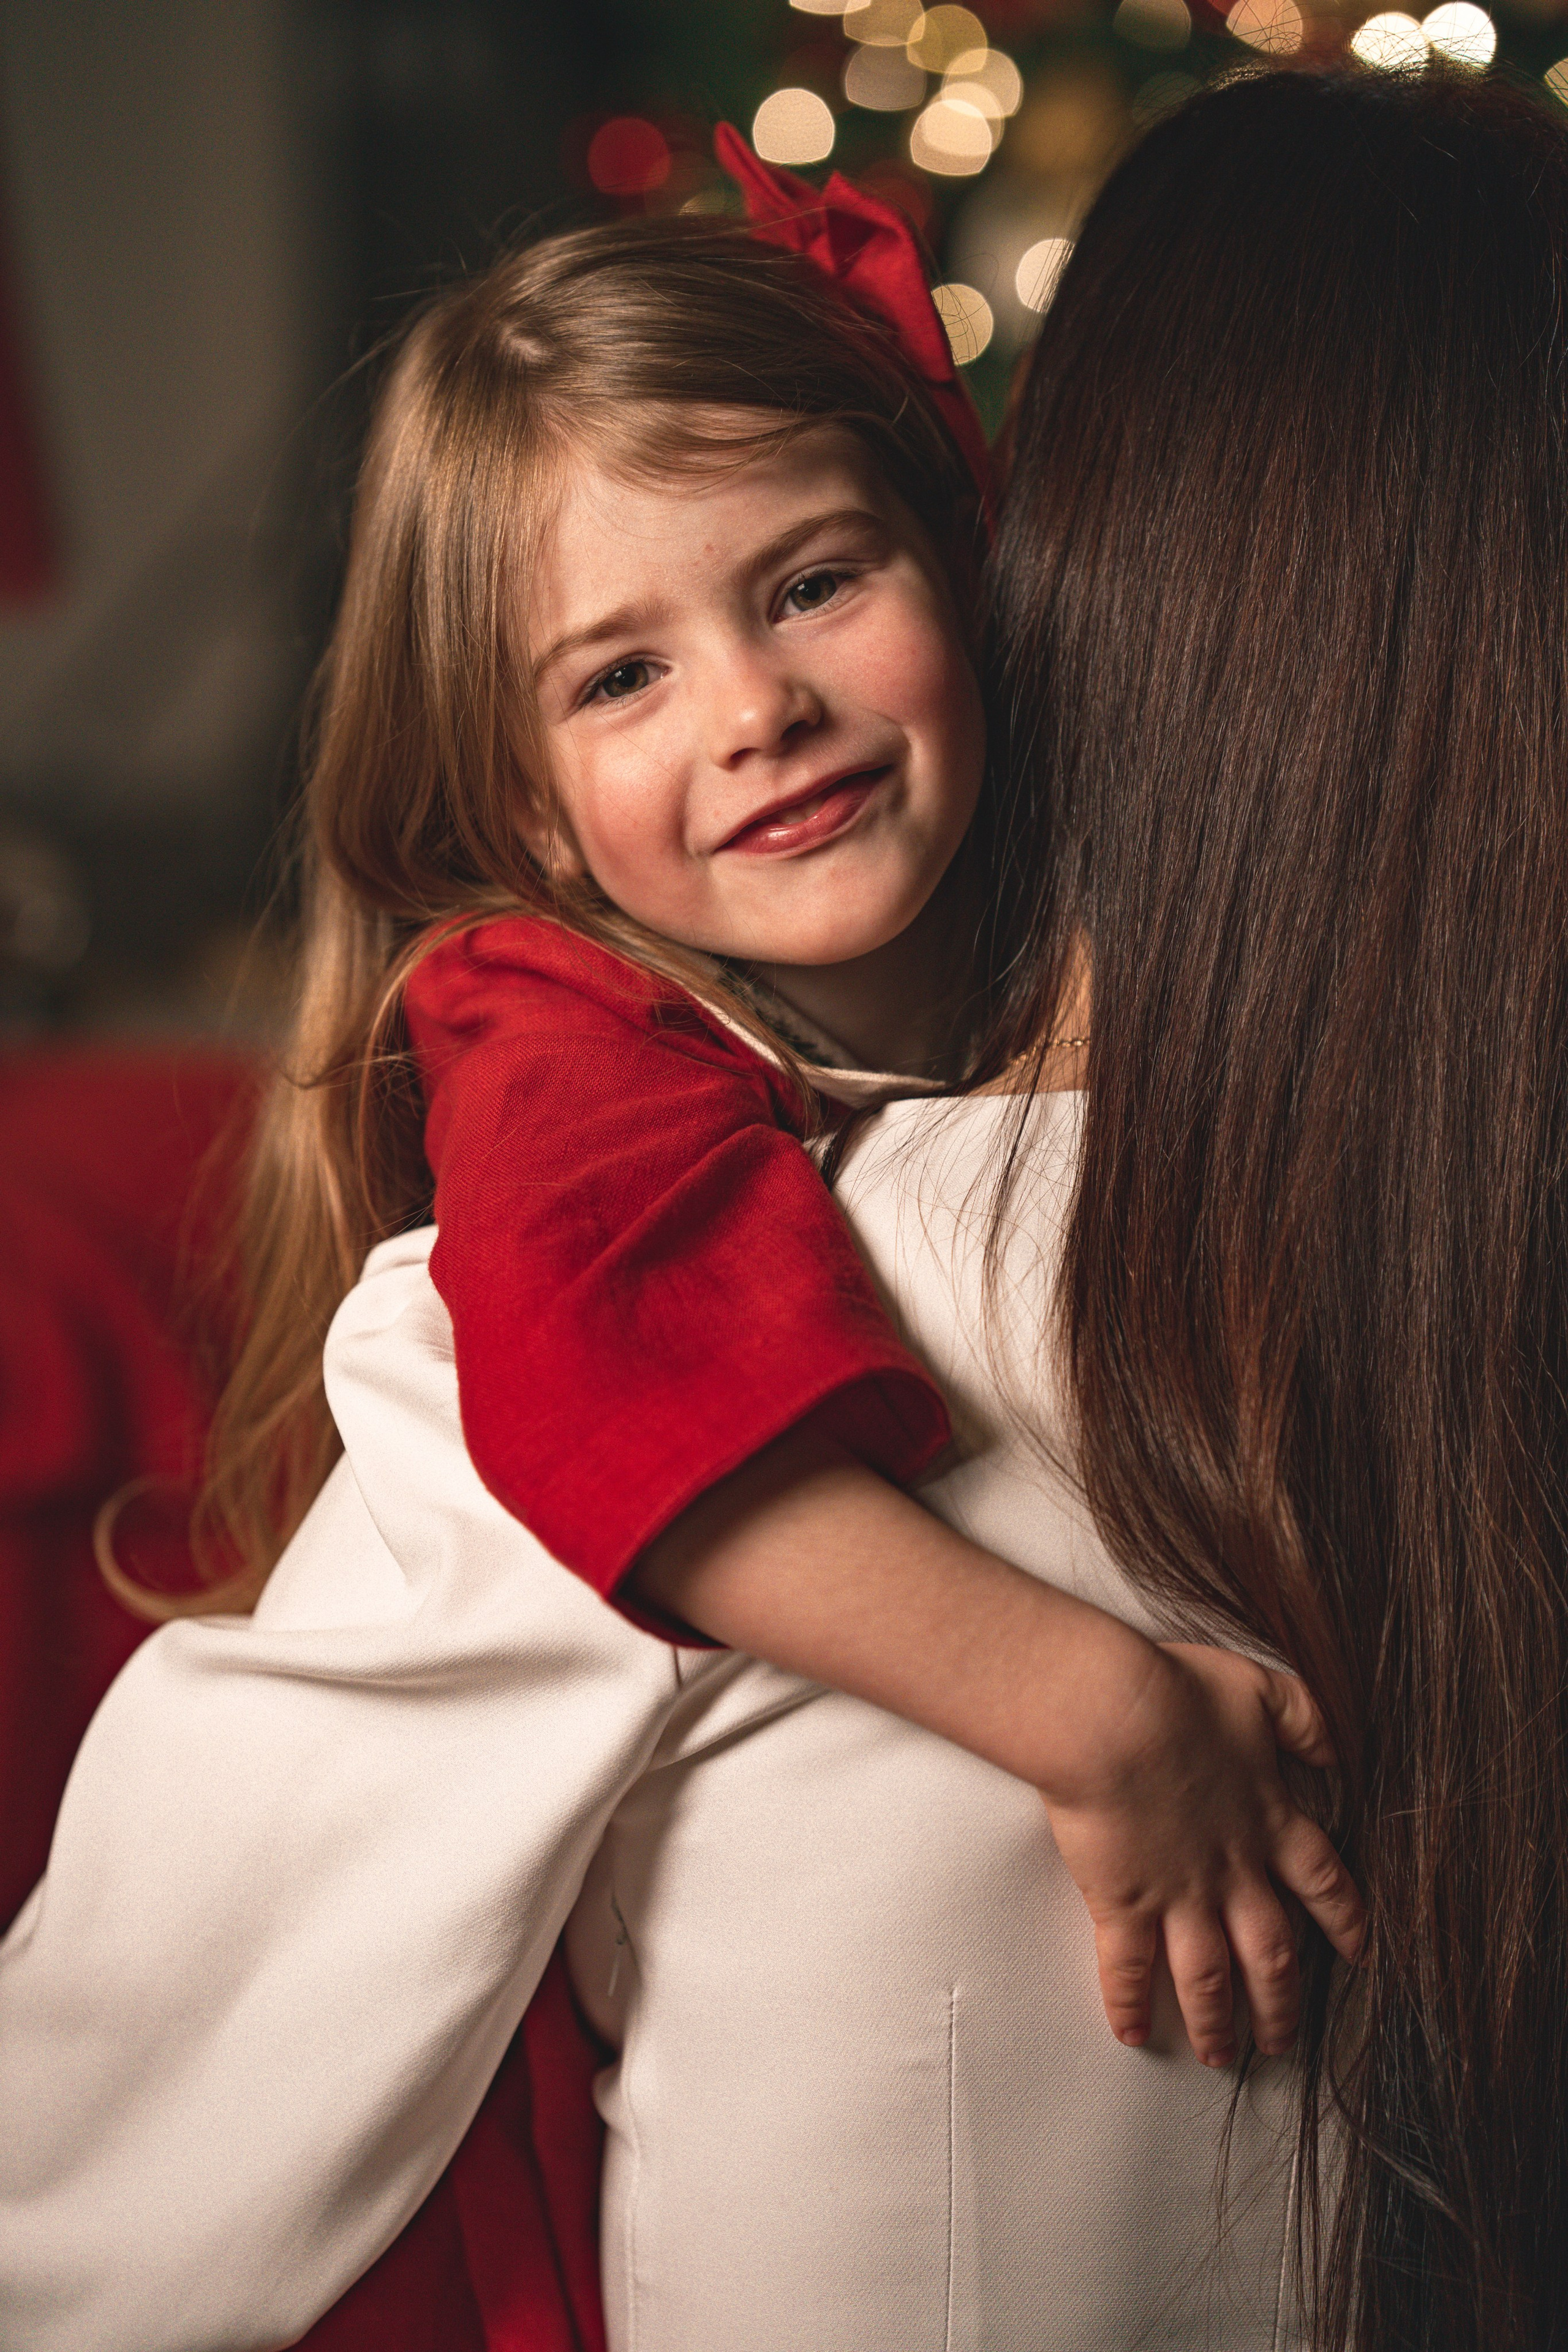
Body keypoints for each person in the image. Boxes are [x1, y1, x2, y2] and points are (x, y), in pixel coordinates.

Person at [0, 126, 1370, 2352]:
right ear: (524, 807)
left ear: (969, 565)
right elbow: (605, 1387)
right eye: (617, 677)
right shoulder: (556, 1052)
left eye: (814, 582)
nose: (754, 709)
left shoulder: (1160, 1004)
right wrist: (1093, 1706)